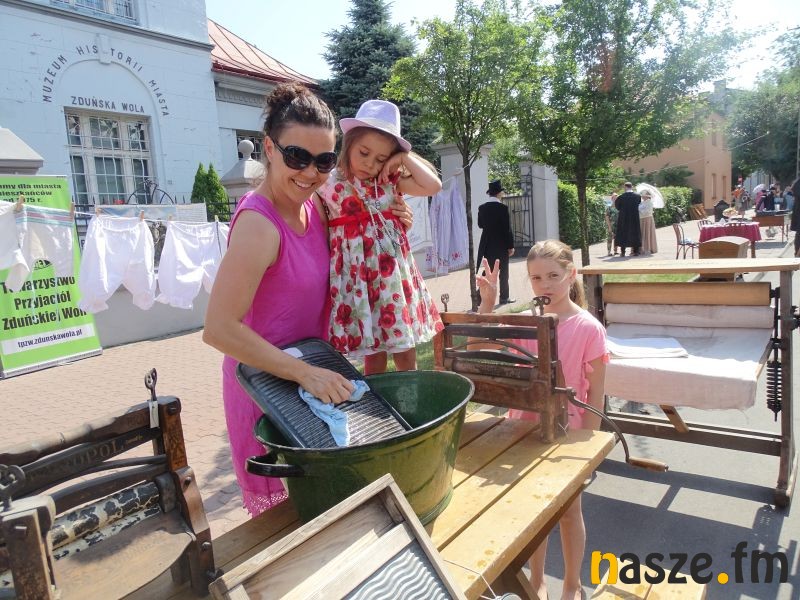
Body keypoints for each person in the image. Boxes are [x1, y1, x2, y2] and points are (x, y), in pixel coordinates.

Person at [202, 84, 412, 516]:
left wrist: (393, 215)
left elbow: (363, 235)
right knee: (291, 527)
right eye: (296, 156)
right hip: (268, 393)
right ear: (269, 148)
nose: (310, 172)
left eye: (324, 161)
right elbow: (219, 329)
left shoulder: (317, 205)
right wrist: (304, 373)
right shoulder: (258, 225)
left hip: (314, 384)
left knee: (339, 515)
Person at [476, 240, 607, 600]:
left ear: (571, 274)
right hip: (522, 430)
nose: (544, 284)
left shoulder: (588, 327)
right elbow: (477, 346)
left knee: (568, 513)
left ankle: (572, 584)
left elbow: (596, 392)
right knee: (533, 514)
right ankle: (537, 581)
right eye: (536, 278)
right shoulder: (525, 322)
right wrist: (488, 304)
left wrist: (588, 447)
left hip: (568, 434)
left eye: (553, 275)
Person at [318, 98, 443, 375]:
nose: (370, 164)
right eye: (364, 152)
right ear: (349, 143)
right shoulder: (328, 183)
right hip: (358, 280)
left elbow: (433, 186)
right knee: (372, 353)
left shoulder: (388, 180)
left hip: (391, 278)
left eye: (381, 159)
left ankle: (410, 397)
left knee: (404, 350)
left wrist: (404, 157)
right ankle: (377, 401)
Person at [477, 180, 516, 303]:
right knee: (503, 272)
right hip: (501, 244)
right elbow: (507, 229)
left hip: (488, 244)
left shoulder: (482, 208)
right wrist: (510, 246)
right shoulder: (503, 208)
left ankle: (478, 296)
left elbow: (480, 225)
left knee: (488, 269)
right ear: (498, 193)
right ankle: (504, 297)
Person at [615, 182, 642, 256]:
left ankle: (623, 252)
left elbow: (617, 207)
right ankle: (636, 252)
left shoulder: (621, 197)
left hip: (624, 218)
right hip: (634, 218)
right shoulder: (637, 196)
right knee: (635, 232)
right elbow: (639, 204)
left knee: (623, 233)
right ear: (631, 187)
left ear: (625, 187)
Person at [638, 189, 658, 255]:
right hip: (642, 219)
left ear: (647, 196)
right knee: (643, 234)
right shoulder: (642, 202)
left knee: (647, 233)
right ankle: (643, 248)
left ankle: (648, 248)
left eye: (643, 195)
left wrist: (639, 209)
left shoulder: (649, 203)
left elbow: (647, 212)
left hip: (647, 219)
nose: (642, 196)